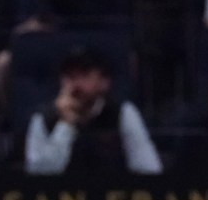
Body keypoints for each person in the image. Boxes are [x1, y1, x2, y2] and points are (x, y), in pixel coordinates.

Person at [24, 45, 163, 174]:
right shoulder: (43, 117)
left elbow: (149, 168)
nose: (75, 84)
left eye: (84, 75)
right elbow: (39, 173)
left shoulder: (123, 112)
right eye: (69, 76)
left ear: (104, 82)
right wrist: (66, 124)